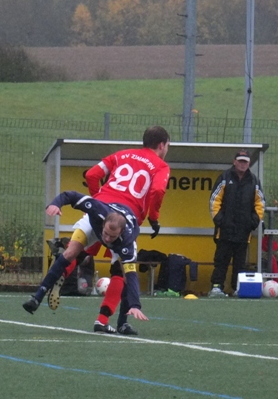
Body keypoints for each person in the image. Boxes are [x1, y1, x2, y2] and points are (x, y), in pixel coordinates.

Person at [24, 126, 170, 334]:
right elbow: (157, 191)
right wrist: (153, 218)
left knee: (74, 252)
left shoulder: (122, 154)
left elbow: (92, 175)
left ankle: (39, 294)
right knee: (121, 270)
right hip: (123, 224)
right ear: (162, 145)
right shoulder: (161, 166)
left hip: (99, 213)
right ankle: (109, 321)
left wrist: (98, 199)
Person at [23, 191, 146, 334]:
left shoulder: (127, 243)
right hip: (95, 224)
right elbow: (71, 195)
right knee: (70, 253)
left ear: (121, 232)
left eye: (112, 236)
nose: (106, 239)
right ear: (104, 223)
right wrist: (56, 204)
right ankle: (36, 298)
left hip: (120, 235)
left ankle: (122, 323)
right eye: (106, 233)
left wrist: (135, 305)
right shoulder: (98, 210)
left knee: (124, 275)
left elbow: (132, 276)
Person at [208, 149, 265, 297]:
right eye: (240, 161)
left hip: (243, 232)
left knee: (240, 264)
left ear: (249, 164)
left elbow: (260, 203)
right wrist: (220, 221)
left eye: (245, 162)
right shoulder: (224, 178)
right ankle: (216, 287)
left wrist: (252, 222)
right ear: (234, 162)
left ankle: (237, 289)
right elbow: (214, 200)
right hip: (224, 231)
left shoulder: (254, 181)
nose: (242, 164)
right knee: (221, 261)